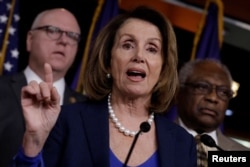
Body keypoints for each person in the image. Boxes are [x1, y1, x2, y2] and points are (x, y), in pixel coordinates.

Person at [11, 6, 197, 167]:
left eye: (152, 49)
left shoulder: (183, 144)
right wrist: (33, 143)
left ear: (163, 68)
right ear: (108, 61)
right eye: (127, 45)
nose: (139, 56)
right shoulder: (68, 121)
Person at [0, 8, 86, 167]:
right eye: (53, 30)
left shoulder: (87, 109)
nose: (64, 40)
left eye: (73, 36)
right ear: (29, 40)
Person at [174, 59, 249, 166]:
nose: (213, 98)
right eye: (202, 87)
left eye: (223, 92)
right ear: (179, 92)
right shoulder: (152, 141)